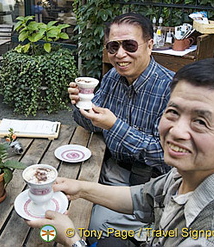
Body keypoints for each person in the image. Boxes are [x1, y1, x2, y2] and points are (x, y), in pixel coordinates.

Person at [28, 58, 214, 247]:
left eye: (201, 121)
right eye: (173, 112)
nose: (176, 131)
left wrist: (72, 239)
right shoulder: (191, 170)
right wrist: (80, 188)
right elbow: (142, 197)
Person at [68, 12, 174, 244]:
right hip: (108, 167)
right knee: (60, 195)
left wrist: (115, 126)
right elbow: (92, 125)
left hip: (148, 183)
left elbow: (166, 155)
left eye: (130, 45)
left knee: (82, 223)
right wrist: (81, 105)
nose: (120, 54)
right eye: (113, 47)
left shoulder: (172, 89)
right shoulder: (112, 78)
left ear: (149, 45)